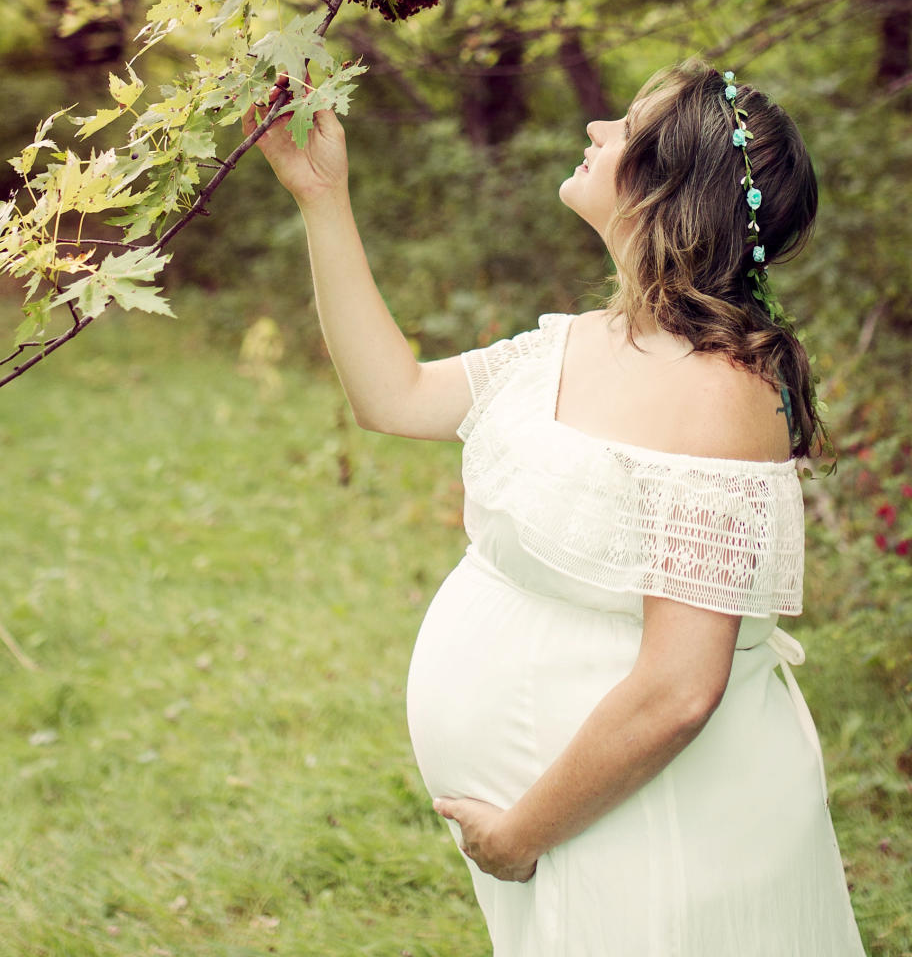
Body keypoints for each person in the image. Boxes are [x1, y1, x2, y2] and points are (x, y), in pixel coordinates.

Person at [244, 57, 868, 956]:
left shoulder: (725, 394)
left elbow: (681, 688)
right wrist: (320, 197)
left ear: (669, 186)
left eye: (624, 128)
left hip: (651, 821)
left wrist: (523, 831)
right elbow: (395, 396)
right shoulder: (577, 342)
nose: (595, 131)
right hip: (570, 823)